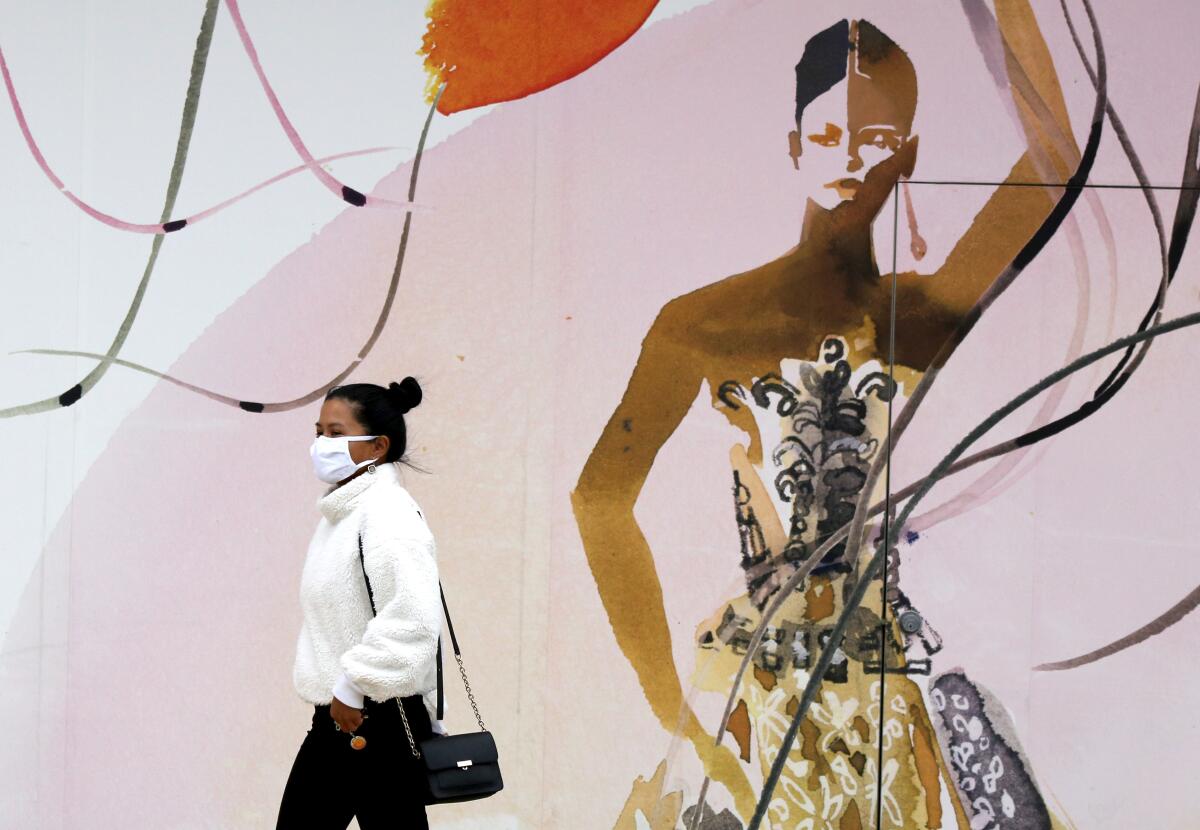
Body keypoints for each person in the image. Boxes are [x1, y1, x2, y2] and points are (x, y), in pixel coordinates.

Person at [573, 10, 1078, 830]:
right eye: (830, 132)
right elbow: (598, 498)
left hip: (880, 685)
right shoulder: (704, 322)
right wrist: (670, 709)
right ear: (796, 145)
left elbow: (1056, 162)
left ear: (910, 156)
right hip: (754, 691)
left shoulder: (918, 314)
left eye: (877, 138)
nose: (849, 157)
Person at [276, 378, 444, 829]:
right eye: (318, 433)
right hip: (349, 715)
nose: (321, 445)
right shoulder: (344, 515)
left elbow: (414, 615)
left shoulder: (386, 513)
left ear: (377, 447)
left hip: (367, 717)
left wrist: (352, 685)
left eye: (335, 433)